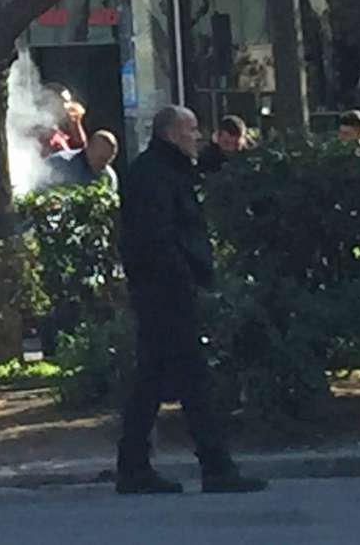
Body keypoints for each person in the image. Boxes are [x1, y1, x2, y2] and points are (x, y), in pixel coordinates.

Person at [116, 105, 266, 495]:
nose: (197, 136)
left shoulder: (167, 171)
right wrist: (182, 278)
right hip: (164, 291)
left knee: (154, 379)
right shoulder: (153, 175)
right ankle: (214, 467)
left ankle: (134, 466)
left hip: (164, 289)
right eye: (191, 129)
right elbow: (157, 236)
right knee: (190, 379)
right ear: (170, 133)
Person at [47, 129, 120, 192]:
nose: (103, 164)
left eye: (108, 160)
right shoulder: (61, 162)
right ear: (89, 148)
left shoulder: (109, 176)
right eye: (101, 158)